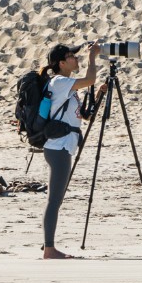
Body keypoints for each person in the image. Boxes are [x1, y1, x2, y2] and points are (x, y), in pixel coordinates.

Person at [38, 40, 99, 260]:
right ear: (62, 63)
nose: (77, 58)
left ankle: (49, 247)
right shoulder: (60, 82)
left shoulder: (66, 85)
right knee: (55, 199)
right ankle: (49, 249)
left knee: (56, 198)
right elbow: (90, 79)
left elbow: (82, 115)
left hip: (64, 145)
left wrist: (98, 95)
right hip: (58, 146)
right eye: (72, 56)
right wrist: (93, 58)